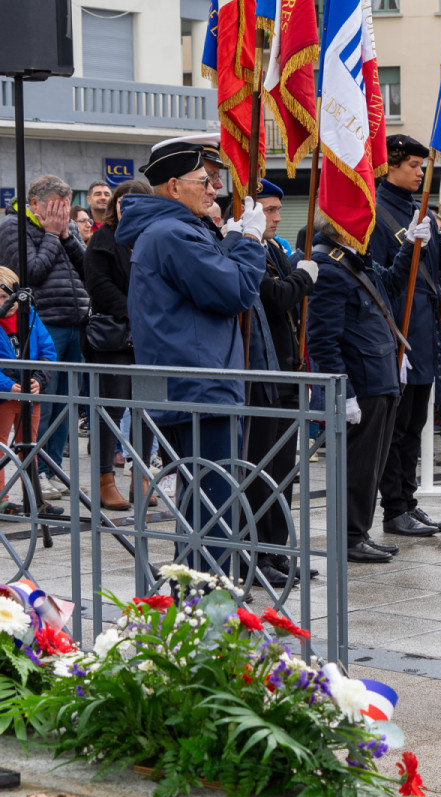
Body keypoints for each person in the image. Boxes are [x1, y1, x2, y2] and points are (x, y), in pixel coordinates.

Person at [118, 140, 267, 573]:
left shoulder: (176, 229)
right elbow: (234, 290)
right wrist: (251, 240)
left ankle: (193, 605)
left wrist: (235, 237)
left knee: (202, 505)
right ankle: (207, 612)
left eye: (215, 181)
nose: (215, 190)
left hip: (198, 383)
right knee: (214, 512)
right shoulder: (172, 232)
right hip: (202, 387)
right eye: (205, 181)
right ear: (173, 186)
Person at [305, 212, 403, 563]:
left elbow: (390, 293)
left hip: (380, 376)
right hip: (362, 383)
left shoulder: (354, 261)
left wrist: (411, 249)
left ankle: (359, 531)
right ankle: (348, 536)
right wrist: (342, 392)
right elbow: (322, 341)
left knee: (372, 466)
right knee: (358, 467)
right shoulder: (329, 267)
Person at [369, 134, 441, 539]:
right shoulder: (378, 212)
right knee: (399, 429)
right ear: (391, 166)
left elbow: (435, 272)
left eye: (423, 166)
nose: (421, 173)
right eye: (414, 166)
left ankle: (408, 500)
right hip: (398, 331)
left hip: (424, 329)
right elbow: (381, 279)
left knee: (417, 422)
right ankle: (394, 508)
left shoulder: (420, 210)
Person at [245, 179, 318, 586]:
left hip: (287, 368)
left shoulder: (273, 248)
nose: (276, 218)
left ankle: (277, 549)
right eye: (269, 211)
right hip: (263, 373)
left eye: (276, 210)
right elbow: (275, 296)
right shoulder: (245, 246)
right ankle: (256, 554)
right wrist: (305, 277)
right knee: (260, 469)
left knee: (283, 471)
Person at [0, 175, 89, 500]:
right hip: (44, 322)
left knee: (67, 403)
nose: (62, 213)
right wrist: (52, 234)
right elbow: (28, 275)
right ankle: (37, 471)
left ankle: (54, 467)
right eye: (56, 205)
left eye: (66, 206)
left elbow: (86, 270)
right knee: (44, 401)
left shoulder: (65, 229)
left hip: (75, 321)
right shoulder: (13, 227)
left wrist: (67, 236)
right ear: (35, 203)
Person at [82, 179, 156, 511]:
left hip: (148, 336)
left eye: (134, 201)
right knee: (110, 412)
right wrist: (132, 310)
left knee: (144, 410)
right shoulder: (103, 237)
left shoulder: (150, 238)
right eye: (121, 200)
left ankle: (141, 480)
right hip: (114, 337)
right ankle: (103, 482)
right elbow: (97, 284)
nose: (125, 206)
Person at [0, 266, 58, 516]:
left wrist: (39, 379)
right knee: (0, 446)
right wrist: (6, 385)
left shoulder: (30, 315)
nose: (6, 302)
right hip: (4, 395)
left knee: (30, 446)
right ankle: (1, 498)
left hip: (29, 392)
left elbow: (48, 352)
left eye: (7, 295)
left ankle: (33, 498)